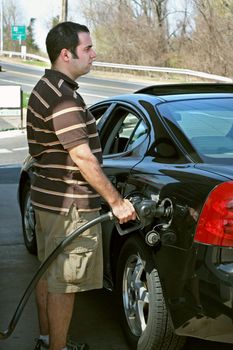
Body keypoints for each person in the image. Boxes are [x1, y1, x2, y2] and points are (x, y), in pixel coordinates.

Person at [26, 22, 136, 350]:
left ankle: (48, 339)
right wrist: (116, 202)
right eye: (87, 49)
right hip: (69, 207)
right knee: (65, 284)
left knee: (48, 275)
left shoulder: (46, 87)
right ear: (66, 54)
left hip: (48, 202)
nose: (93, 54)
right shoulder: (64, 100)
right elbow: (83, 157)